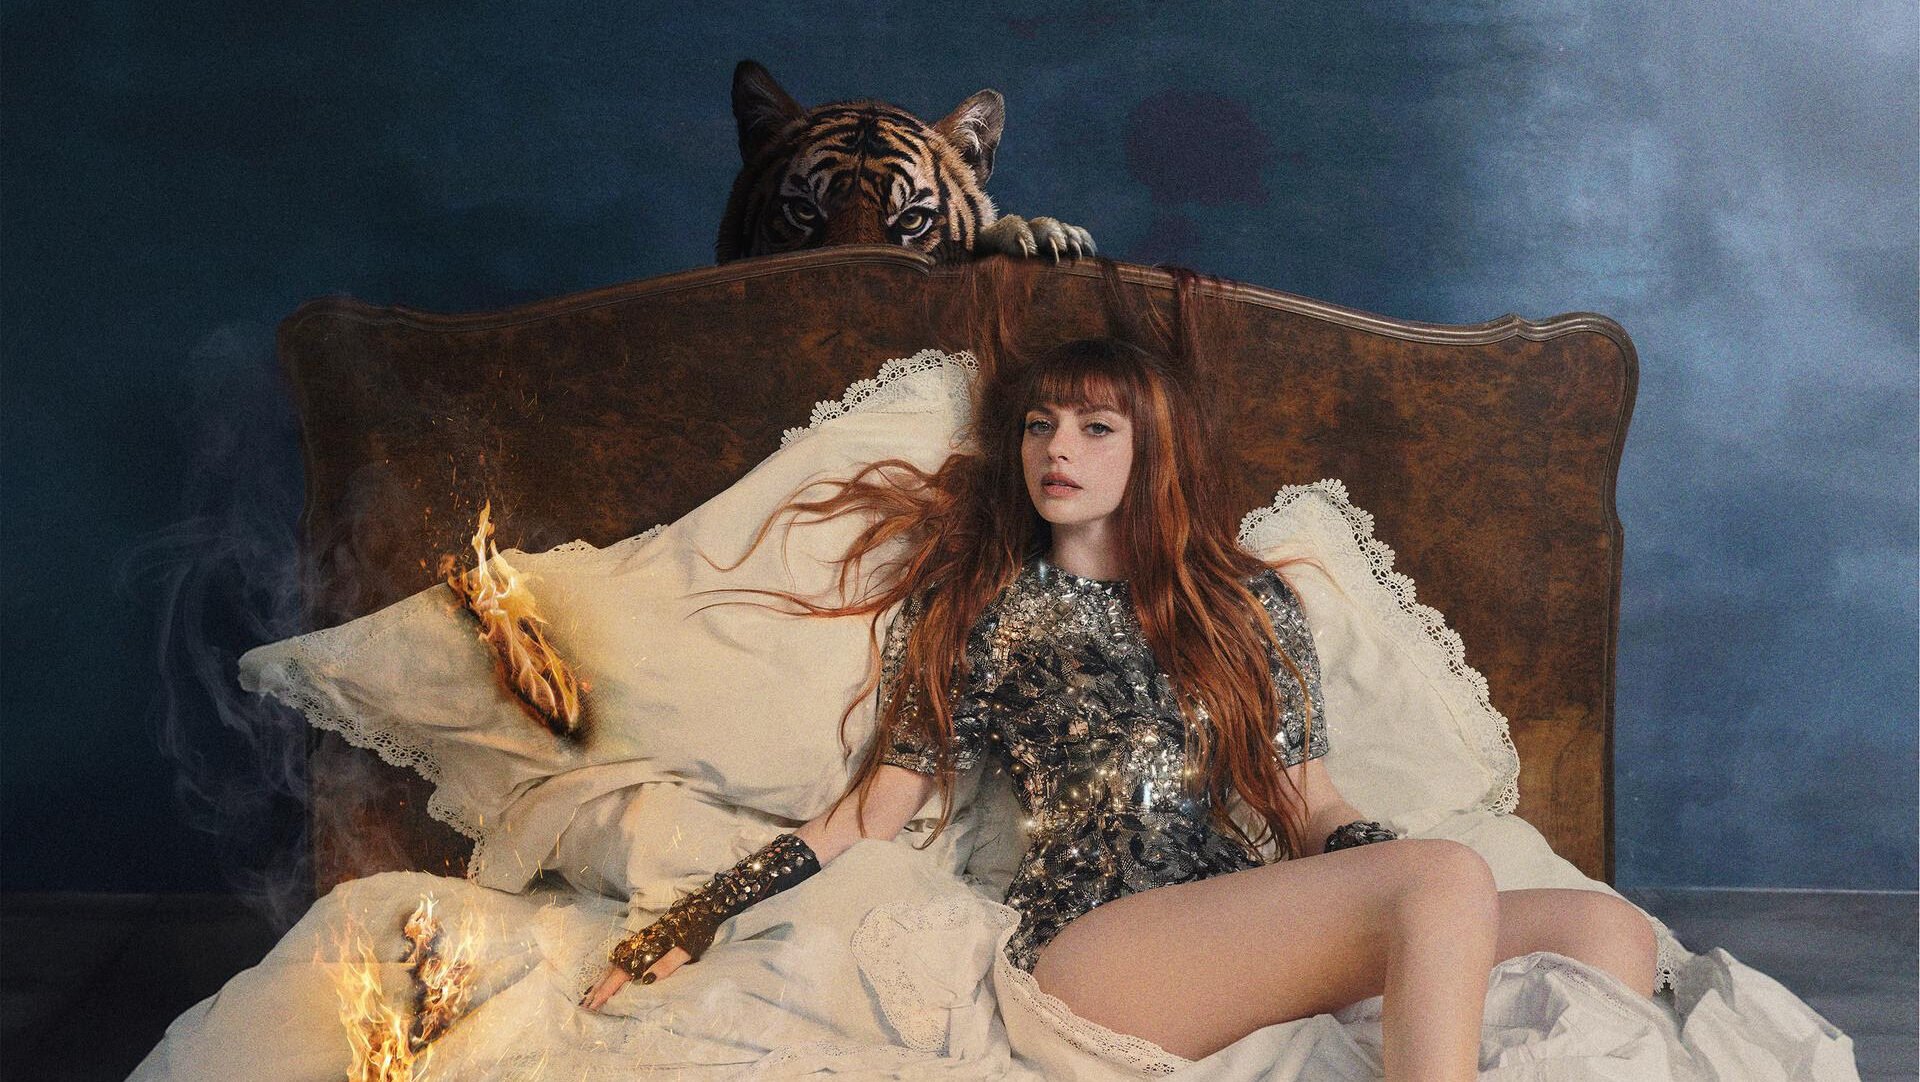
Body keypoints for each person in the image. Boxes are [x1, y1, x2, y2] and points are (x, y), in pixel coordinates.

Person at [580, 291, 1658, 1080]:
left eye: (1096, 427)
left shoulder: (1248, 602)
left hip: (1232, 925)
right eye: (1041, 424)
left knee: (1611, 935)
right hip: (1095, 950)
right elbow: (871, 814)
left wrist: (1389, 880)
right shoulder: (985, 605)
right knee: (1445, 878)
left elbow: (1311, 806)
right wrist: (705, 909)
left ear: (1155, 450)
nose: (1059, 448)